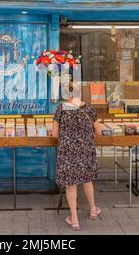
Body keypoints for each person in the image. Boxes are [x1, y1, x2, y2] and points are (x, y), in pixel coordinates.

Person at [52, 82, 103, 231]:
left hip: (68, 152)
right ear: (79, 93)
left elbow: (54, 134)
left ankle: (74, 220)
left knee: (71, 185)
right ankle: (93, 210)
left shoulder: (61, 109)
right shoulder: (89, 109)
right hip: (85, 151)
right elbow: (99, 130)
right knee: (87, 180)